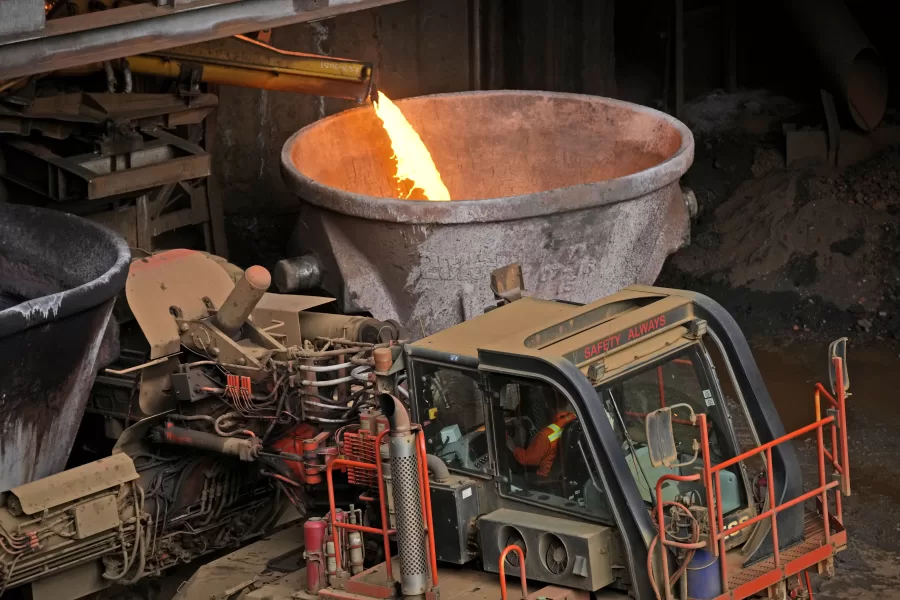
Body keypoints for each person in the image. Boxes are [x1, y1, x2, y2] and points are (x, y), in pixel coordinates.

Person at [511, 410, 577, 477]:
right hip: (570, 473)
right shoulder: (575, 421)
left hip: (547, 477)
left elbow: (527, 459)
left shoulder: (546, 434)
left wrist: (513, 448)